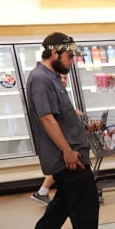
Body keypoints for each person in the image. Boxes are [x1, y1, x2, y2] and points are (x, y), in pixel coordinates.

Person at [23, 32, 115, 229]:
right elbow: (47, 118)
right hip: (67, 156)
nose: (72, 61)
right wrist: (67, 150)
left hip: (70, 153)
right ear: (54, 53)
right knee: (86, 203)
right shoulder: (41, 79)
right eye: (69, 56)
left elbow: (59, 114)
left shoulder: (52, 77)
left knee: (65, 203)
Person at [30, 73, 79, 205]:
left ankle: (43, 192)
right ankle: (42, 192)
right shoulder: (44, 86)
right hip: (58, 139)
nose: (63, 81)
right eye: (60, 78)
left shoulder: (60, 92)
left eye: (65, 78)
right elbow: (50, 117)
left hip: (62, 139)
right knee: (62, 166)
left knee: (62, 171)